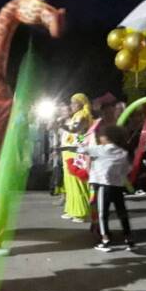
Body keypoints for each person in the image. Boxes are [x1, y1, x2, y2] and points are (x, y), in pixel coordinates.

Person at [78, 125, 134, 252]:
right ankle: (129, 239)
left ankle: (105, 240)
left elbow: (81, 149)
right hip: (118, 186)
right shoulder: (123, 152)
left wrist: (81, 136)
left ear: (106, 138)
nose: (100, 138)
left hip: (103, 185)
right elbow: (127, 170)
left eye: (101, 136)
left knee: (103, 214)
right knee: (122, 213)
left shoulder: (100, 149)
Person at [60, 93, 92, 223]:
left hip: (75, 152)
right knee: (69, 183)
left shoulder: (83, 115)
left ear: (81, 104)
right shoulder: (74, 116)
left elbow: (76, 130)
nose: (71, 105)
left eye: (74, 103)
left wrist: (61, 124)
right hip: (68, 151)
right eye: (71, 103)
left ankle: (81, 212)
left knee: (77, 181)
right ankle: (72, 209)